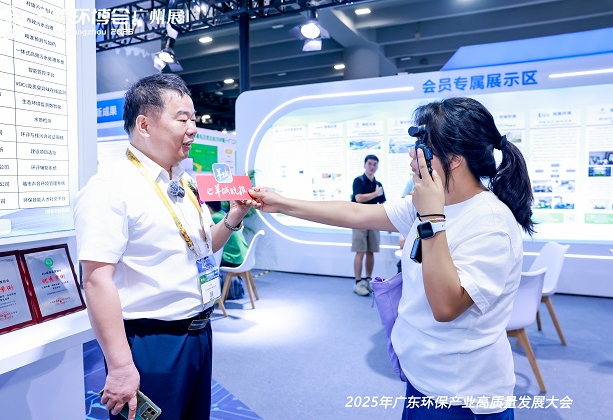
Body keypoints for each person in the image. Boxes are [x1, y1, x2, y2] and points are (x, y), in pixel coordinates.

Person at [249, 97, 534, 419]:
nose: (412, 156)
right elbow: (356, 213)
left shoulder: (490, 222)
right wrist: (282, 204)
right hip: (423, 379)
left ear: (454, 159)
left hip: (461, 397)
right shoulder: (430, 203)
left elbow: (446, 306)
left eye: (423, 148)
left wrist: (432, 219)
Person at [74, 74, 252, 420]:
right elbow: (96, 280)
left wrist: (233, 219)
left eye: (194, 119)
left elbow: (203, 246)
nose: (193, 129)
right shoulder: (109, 187)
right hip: (152, 342)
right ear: (144, 125)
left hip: (198, 332)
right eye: (182, 119)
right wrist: (120, 365)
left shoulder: (183, 180)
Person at [350, 154, 386, 296]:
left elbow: (382, 203)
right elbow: (358, 198)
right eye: (369, 164)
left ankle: (368, 280)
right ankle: (358, 283)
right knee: (360, 251)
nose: (372, 166)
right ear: (365, 165)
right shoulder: (358, 181)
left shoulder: (378, 184)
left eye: (374, 164)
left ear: (377, 166)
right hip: (359, 220)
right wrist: (375, 193)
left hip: (373, 221)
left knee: (371, 251)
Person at [206, 201, 249, 300]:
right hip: (244, 257)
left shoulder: (213, 218)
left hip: (233, 259)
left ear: (207, 207)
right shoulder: (224, 214)